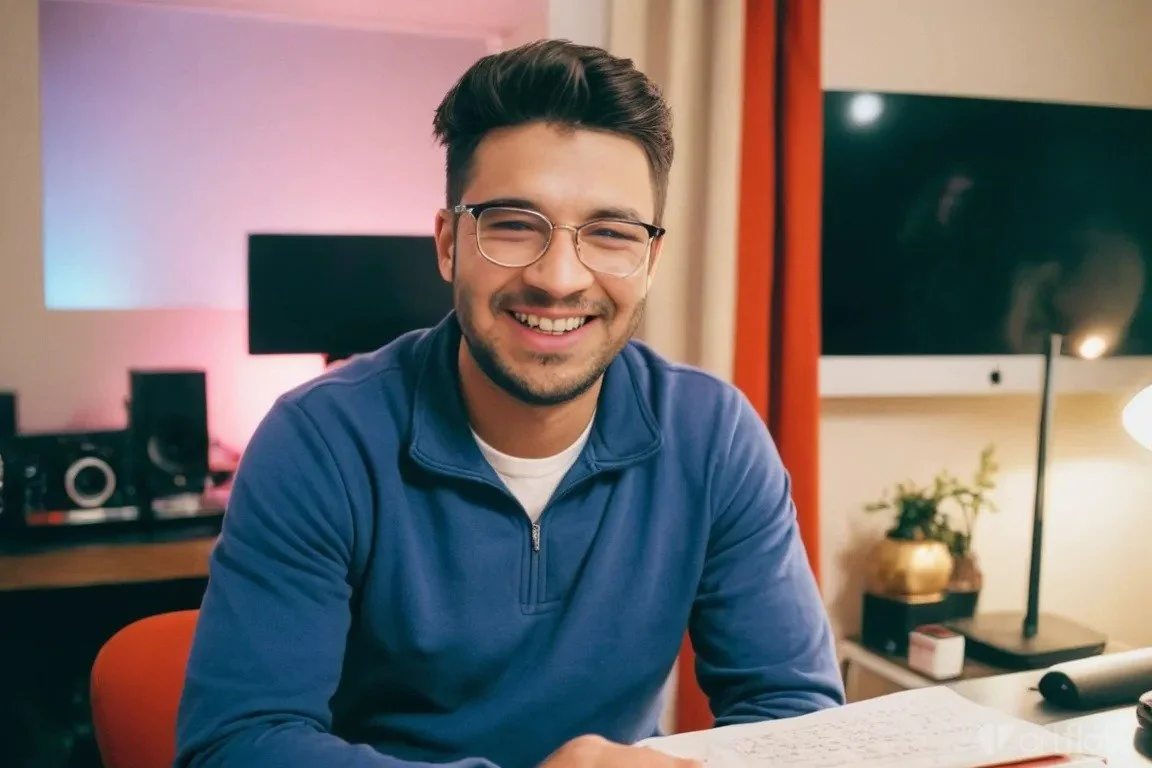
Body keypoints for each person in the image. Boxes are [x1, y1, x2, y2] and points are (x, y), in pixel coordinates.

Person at [175, 38, 844, 768]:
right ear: (448, 243)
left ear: (649, 261)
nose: (559, 278)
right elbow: (237, 745)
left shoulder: (713, 437)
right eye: (513, 225)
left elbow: (796, 716)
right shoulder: (318, 442)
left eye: (611, 234)